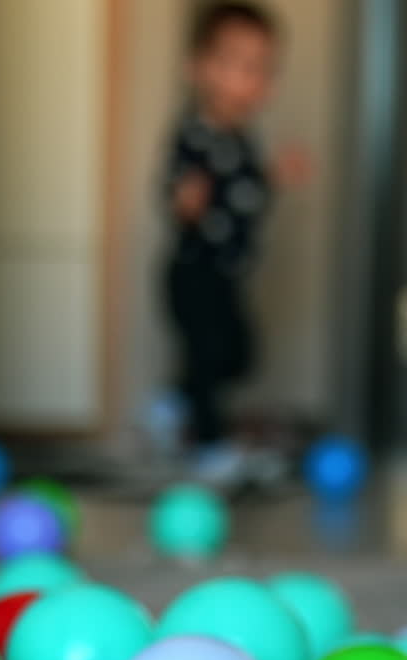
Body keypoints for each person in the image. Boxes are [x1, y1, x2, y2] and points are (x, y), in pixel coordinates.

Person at [160, 1, 310, 485]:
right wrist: (185, 201)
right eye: (235, 65)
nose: (249, 80)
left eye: (260, 69)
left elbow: (244, 194)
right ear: (197, 69)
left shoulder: (245, 140)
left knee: (240, 356)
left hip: (226, 276)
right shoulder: (195, 135)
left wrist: (273, 177)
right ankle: (209, 449)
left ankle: (173, 405)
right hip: (193, 273)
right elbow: (176, 188)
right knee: (207, 359)